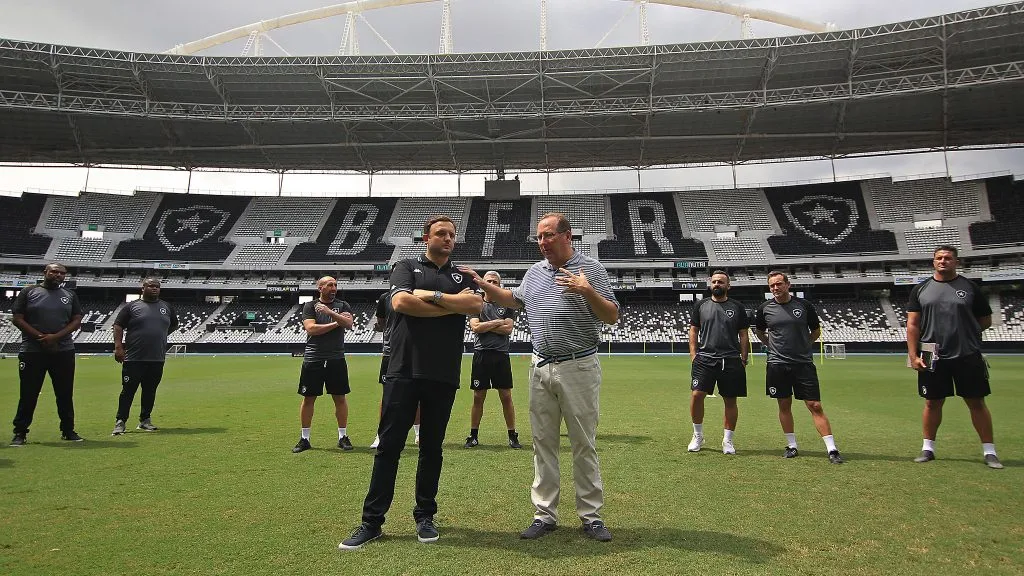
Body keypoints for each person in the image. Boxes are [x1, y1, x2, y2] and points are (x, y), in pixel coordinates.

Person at [461, 212, 619, 543]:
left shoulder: (590, 269)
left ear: (567, 235)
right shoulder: (534, 273)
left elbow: (611, 316)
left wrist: (586, 290)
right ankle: (545, 513)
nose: (542, 242)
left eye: (548, 235)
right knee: (543, 442)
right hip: (540, 366)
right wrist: (482, 283)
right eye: (538, 237)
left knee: (583, 443)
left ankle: (591, 516)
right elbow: (513, 299)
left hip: (579, 365)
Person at [340, 215, 481, 550]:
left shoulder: (461, 274)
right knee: (389, 448)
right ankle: (371, 522)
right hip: (403, 369)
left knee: (431, 449)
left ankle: (425, 516)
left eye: (451, 234)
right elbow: (401, 302)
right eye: (441, 234)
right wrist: (450, 304)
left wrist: (430, 297)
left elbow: (475, 304)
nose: (447, 239)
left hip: (443, 372)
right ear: (425, 238)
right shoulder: (404, 266)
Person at [907, 245, 1001, 469]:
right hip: (930, 353)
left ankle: (990, 451)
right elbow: (912, 324)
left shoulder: (970, 288)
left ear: (956, 262)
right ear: (933, 262)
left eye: (948, 258)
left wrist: (965, 332)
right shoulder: (921, 289)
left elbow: (985, 320)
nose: (943, 261)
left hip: (967, 352)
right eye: (938, 258)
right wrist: (913, 355)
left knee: (976, 402)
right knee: (932, 402)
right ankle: (928, 448)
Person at [754, 271, 844, 464]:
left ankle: (832, 449)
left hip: (803, 363)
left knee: (815, 405)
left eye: (779, 284)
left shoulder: (804, 306)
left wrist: (804, 345)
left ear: (788, 285)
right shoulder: (764, 308)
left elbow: (816, 330)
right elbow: (759, 331)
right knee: (784, 405)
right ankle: (792, 445)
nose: (775, 288)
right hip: (777, 364)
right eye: (772, 286)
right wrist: (770, 345)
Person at [9, 263, 84, 445]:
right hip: (33, 350)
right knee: (29, 393)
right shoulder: (29, 292)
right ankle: (20, 432)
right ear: (45, 273)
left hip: (63, 350)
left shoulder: (69, 295)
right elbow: (17, 318)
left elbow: (77, 320)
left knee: (65, 393)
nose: (58, 275)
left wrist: (56, 337)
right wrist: (42, 337)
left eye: (62, 273)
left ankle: (68, 430)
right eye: (54, 272)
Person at [687, 270, 749, 455]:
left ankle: (727, 440)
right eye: (714, 281)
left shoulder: (737, 307)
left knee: (730, 400)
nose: (717, 284)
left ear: (728, 285)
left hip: (730, 360)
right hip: (705, 359)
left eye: (721, 282)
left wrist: (743, 358)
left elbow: (744, 334)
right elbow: (693, 330)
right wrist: (693, 354)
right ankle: (698, 435)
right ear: (710, 285)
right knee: (697, 395)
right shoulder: (701, 305)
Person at [292, 276, 355, 453]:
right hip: (314, 358)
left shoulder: (343, 305)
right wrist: (337, 322)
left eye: (335, 284)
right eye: (329, 285)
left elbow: (349, 324)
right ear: (320, 288)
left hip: (336, 358)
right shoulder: (310, 306)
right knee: (309, 398)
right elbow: (311, 329)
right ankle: (305, 439)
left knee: (340, 398)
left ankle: (342, 436)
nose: (334, 287)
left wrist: (330, 314)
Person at [110, 278, 179, 435]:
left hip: (157, 357)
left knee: (150, 391)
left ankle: (145, 420)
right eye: (151, 286)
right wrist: (118, 346)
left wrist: (160, 334)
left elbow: (174, 324)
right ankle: (120, 421)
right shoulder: (132, 307)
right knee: (128, 391)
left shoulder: (166, 307)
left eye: (157, 287)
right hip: (134, 358)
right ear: (143, 288)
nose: (155, 289)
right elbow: (118, 325)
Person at [465, 271, 521, 450]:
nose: (491, 283)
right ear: (483, 283)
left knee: (506, 396)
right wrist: (498, 322)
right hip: (481, 354)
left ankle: (512, 435)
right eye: (488, 281)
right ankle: (473, 435)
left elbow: (508, 329)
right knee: (478, 396)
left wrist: (486, 325)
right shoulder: (476, 303)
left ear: (499, 284)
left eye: (495, 281)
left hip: (501, 355)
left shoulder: (506, 303)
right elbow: (475, 327)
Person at [370, 290, 420, 449]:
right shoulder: (385, 297)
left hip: (415, 352)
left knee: (417, 394)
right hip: (390, 352)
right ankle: (381, 434)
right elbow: (382, 322)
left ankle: (418, 434)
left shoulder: (418, 293)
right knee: (387, 396)